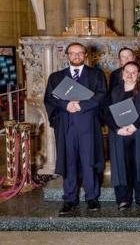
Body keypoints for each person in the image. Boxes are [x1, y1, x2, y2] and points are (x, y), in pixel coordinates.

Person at [44, 43, 107, 215]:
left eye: (80, 53)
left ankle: (92, 197)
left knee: (89, 161)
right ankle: (70, 199)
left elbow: (102, 96)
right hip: (66, 126)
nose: (76, 56)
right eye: (73, 53)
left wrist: (81, 105)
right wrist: (66, 105)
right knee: (69, 161)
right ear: (67, 56)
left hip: (88, 124)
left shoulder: (96, 75)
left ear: (85, 55)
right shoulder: (56, 77)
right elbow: (50, 98)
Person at [103, 61, 140, 210]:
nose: (130, 75)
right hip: (119, 133)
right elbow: (106, 113)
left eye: (134, 72)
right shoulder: (114, 91)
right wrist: (117, 129)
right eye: (127, 72)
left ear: (138, 75)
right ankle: (123, 198)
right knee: (120, 165)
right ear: (122, 74)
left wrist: (134, 126)